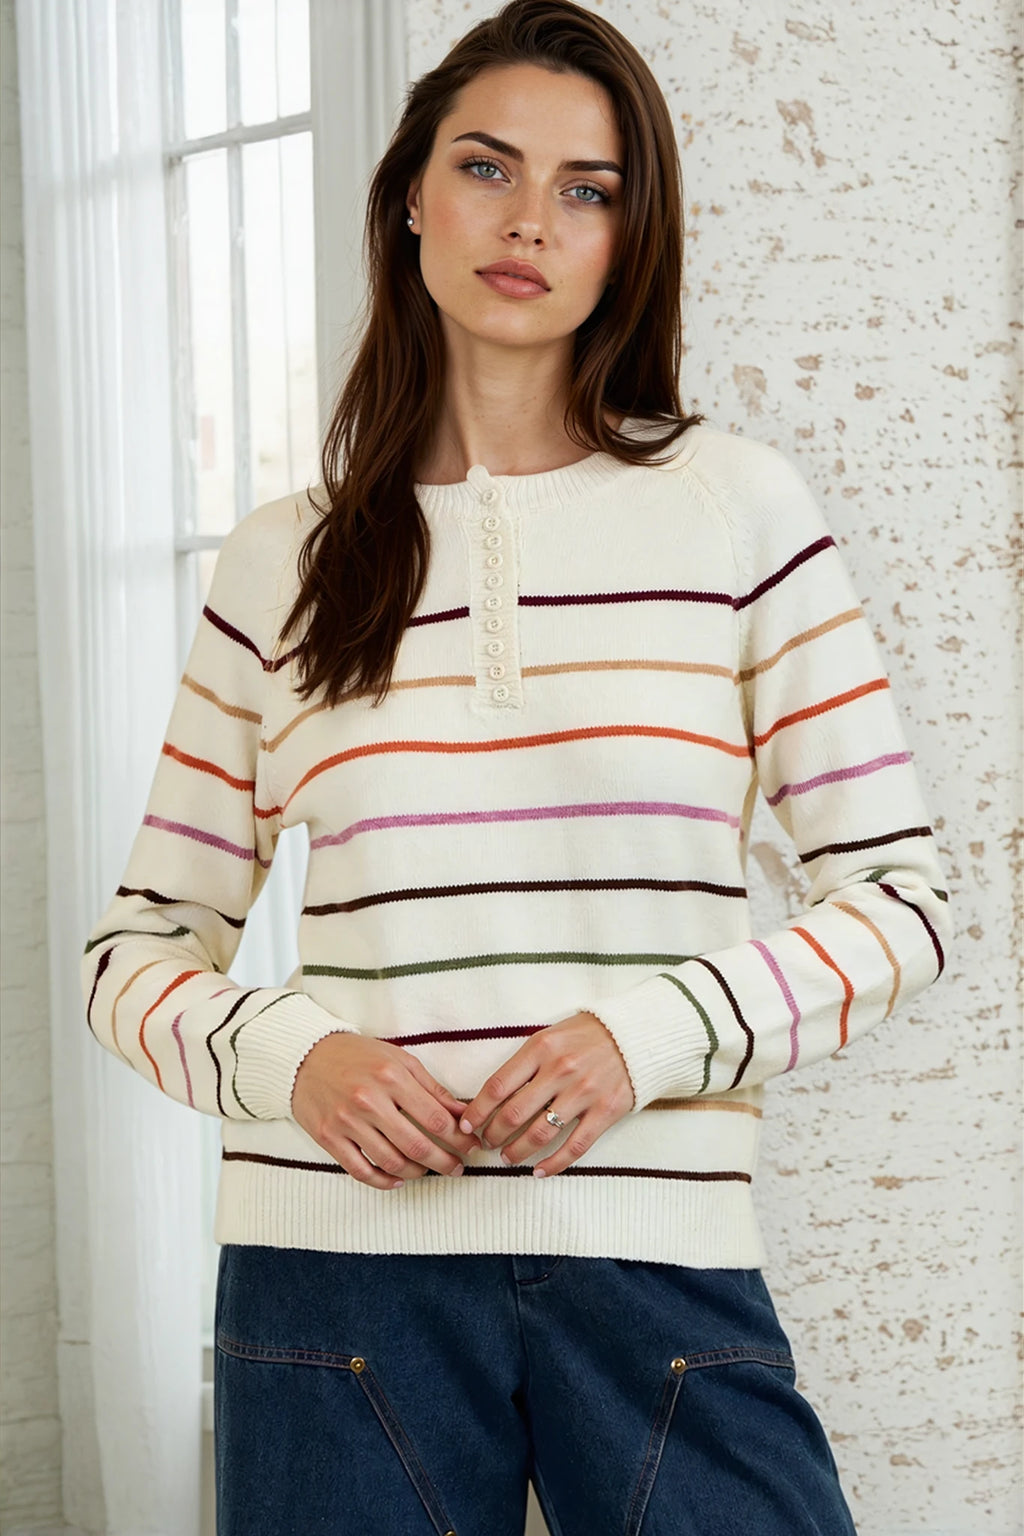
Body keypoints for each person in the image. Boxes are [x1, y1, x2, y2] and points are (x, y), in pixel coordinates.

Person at [82, 2, 951, 1531]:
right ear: (414, 194)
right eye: (487, 167)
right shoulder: (282, 561)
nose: (530, 220)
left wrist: (650, 1035)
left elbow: (903, 902)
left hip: (657, 1270)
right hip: (333, 1283)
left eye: (587, 189)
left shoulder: (738, 513)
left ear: (630, 238)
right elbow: (136, 951)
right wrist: (297, 1058)